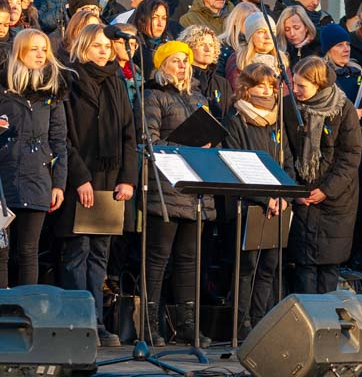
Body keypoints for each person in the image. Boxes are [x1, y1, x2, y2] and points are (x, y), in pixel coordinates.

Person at [56, 24, 136, 347]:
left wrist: (128, 179)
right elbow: (64, 136)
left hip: (111, 179)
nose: (104, 51)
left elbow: (130, 134)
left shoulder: (116, 82)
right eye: (97, 46)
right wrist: (80, 177)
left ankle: (98, 321)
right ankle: (77, 321)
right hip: (81, 179)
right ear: (83, 48)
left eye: (107, 46)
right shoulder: (70, 81)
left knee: (100, 254)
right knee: (77, 252)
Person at [143, 41, 215, 348]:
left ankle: (187, 324)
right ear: (162, 66)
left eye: (185, 61)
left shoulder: (197, 96)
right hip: (167, 188)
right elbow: (151, 141)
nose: (183, 66)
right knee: (158, 258)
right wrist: (188, 146)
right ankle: (148, 324)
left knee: (189, 259)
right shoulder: (154, 95)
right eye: (175, 61)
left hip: (196, 188)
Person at [0, 29, 68, 291]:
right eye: (34, 49)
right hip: (2, 178)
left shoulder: (51, 92)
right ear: (20, 51)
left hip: (38, 178)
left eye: (44, 49)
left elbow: (59, 141)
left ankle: (26, 310)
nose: (41, 54)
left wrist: (59, 184)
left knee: (29, 251)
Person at [224, 63, 292, 336]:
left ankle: (260, 320)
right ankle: (241, 325)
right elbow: (235, 163)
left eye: (270, 86)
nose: (266, 91)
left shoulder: (277, 120)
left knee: (269, 266)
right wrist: (265, 198)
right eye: (260, 85)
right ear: (247, 88)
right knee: (247, 267)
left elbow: (287, 161)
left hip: (278, 205)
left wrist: (284, 195)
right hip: (248, 204)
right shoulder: (236, 119)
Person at [285, 56, 362, 294]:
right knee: (304, 264)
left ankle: (327, 321)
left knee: (329, 265)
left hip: (335, 200)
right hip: (302, 194)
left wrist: (327, 190)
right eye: (294, 84)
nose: (295, 90)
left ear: (318, 84)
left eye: (301, 86)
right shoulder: (289, 106)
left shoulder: (342, 107)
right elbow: (285, 151)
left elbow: (351, 155)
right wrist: (296, 189)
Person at [179, 25, 232, 121]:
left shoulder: (223, 84)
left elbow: (229, 119)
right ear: (189, 47)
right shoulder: (180, 79)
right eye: (201, 44)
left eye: (211, 45)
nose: (207, 49)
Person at [226, 13, 284, 91]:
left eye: (272, 32)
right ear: (250, 36)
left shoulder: (282, 60)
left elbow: (286, 94)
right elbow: (238, 91)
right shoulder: (239, 60)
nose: (268, 36)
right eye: (261, 32)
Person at [321, 24, 362, 108]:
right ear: (328, 50)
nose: (346, 49)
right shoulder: (322, 75)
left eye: (347, 44)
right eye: (340, 45)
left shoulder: (356, 70)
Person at [132, 0, 171, 80]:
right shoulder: (132, 46)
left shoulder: (170, 45)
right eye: (154, 17)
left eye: (163, 18)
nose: (160, 24)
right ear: (142, 19)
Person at [217, 1, 259, 77]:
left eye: (256, 22)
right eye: (248, 21)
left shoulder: (260, 45)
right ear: (236, 21)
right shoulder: (222, 46)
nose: (252, 25)